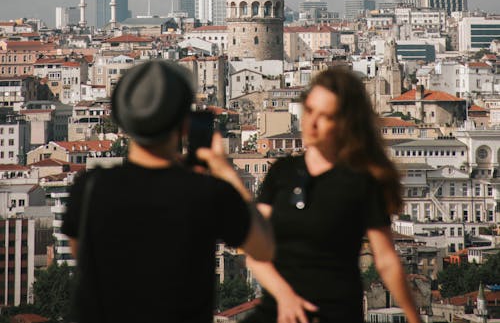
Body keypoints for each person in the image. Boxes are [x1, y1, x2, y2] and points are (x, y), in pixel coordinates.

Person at [62, 60, 274, 323]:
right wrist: (226, 173)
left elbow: (80, 253)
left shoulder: (90, 187)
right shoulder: (207, 194)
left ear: (121, 120)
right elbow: (263, 248)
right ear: (185, 125)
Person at [244, 67, 422, 323]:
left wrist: (414, 317)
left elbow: (385, 260)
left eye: (324, 116)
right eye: (309, 111)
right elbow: (255, 248)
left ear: (344, 126)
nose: (311, 123)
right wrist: (286, 297)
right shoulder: (282, 173)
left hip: (334, 313)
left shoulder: (361, 182)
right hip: (281, 311)